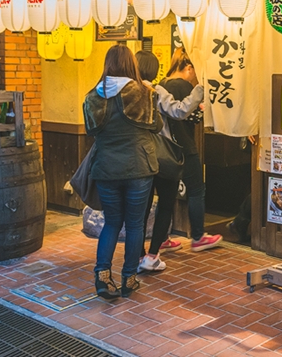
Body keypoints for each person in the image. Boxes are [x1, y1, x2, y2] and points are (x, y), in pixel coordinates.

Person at [83, 45, 162, 299]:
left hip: (106, 169)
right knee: (135, 224)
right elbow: (157, 125)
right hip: (139, 166)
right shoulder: (143, 93)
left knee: (112, 222)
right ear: (131, 65)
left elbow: (90, 131)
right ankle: (129, 279)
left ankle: (103, 277)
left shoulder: (92, 97)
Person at [147, 48, 222, 262]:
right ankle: (198, 236)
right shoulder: (181, 86)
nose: (195, 78)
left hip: (163, 150)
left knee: (166, 196)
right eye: (195, 72)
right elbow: (186, 116)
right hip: (183, 148)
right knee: (196, 190)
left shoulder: (160, 84)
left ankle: (162, 238)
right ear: (189, 68)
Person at [134, 50, 205, 271]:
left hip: (136, 157)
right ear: (153, 70)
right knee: (165, 204)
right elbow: (179, 111)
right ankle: (152, 256)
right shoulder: (154, 90)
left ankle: (138, 256)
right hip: (162, 156)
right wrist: (199, 90)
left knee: (140, 209)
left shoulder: (124, 91)